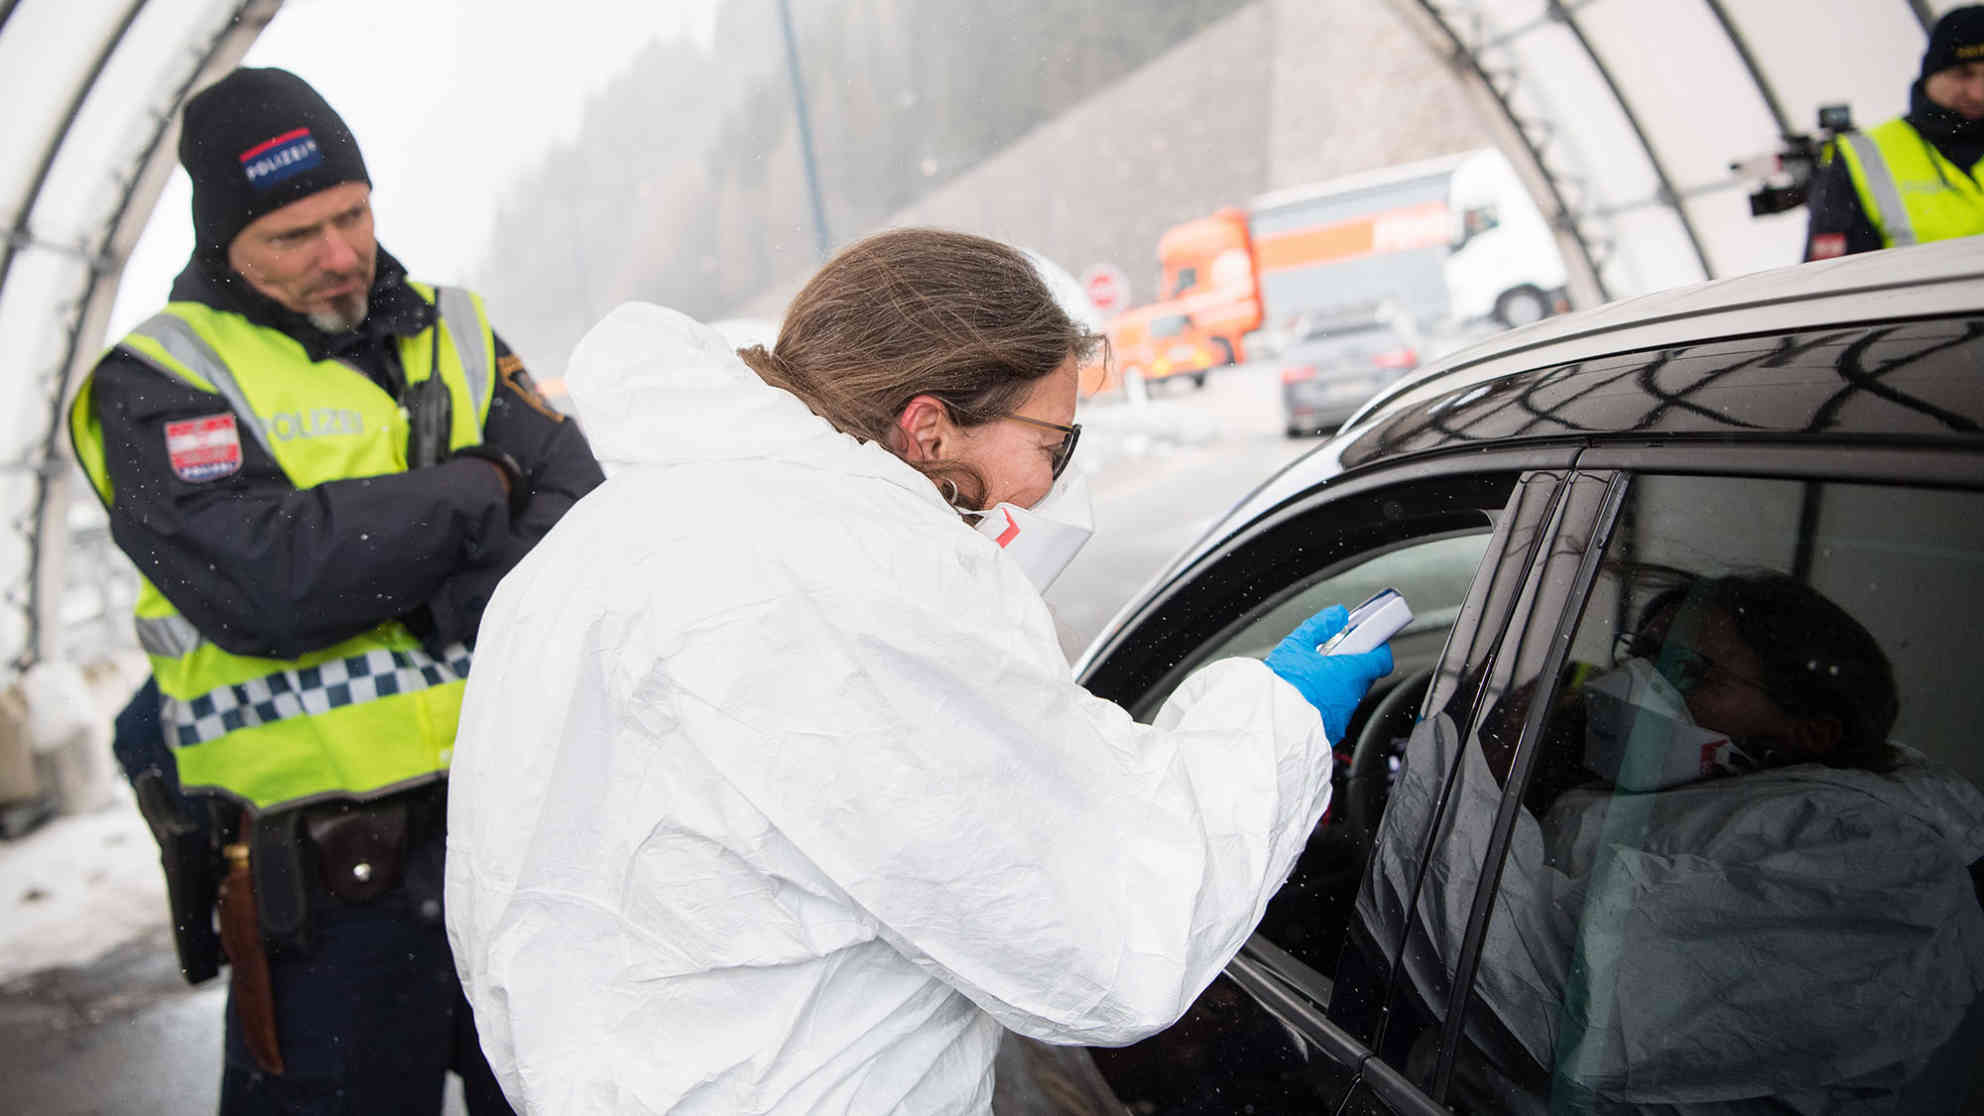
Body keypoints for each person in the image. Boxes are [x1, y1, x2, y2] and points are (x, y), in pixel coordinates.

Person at [444, 228, 1396, 1114]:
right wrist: (1276, 721)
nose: (1044, 491)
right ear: (929, 429)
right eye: (1051, 446)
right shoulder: (847, 578)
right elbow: (1104, 934)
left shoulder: (605, 541)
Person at [68, 68, 604, 1113]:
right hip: (323, 908)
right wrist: (475, 487)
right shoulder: (157, 380)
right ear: (223, 241)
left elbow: (576, 508)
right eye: (294, 235)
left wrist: (426, 588)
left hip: (516, 853)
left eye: (352, 215)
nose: (339, 253)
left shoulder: (451, 327)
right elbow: (266, 583)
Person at [1373, 571, 1984, 1112]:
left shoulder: (1878, 867)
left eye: (1689, 672)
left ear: (1809, 732)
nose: (1638, 682)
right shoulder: (1682, 795)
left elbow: (1549, 1002)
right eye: (1643, 654)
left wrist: (1471, 774)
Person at [1805, 6, 1984, 259]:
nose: (1978, 92)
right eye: (1962, 74)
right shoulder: (1861, 156)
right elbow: (1830, 283)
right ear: (1930, 74)